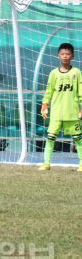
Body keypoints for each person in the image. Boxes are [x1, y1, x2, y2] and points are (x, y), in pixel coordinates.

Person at [39, 43, 82, 171]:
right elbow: (49, 91)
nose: (65, 56)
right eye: (62, 54)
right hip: (57, 113)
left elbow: (81, 91)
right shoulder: (53, 74)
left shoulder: (77, 72)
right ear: (58, 55)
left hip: (72, 113)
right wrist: (44, 105)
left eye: (67, 54)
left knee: (78, 139)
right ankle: (46, 163)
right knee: (51, 137)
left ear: (72, 56)